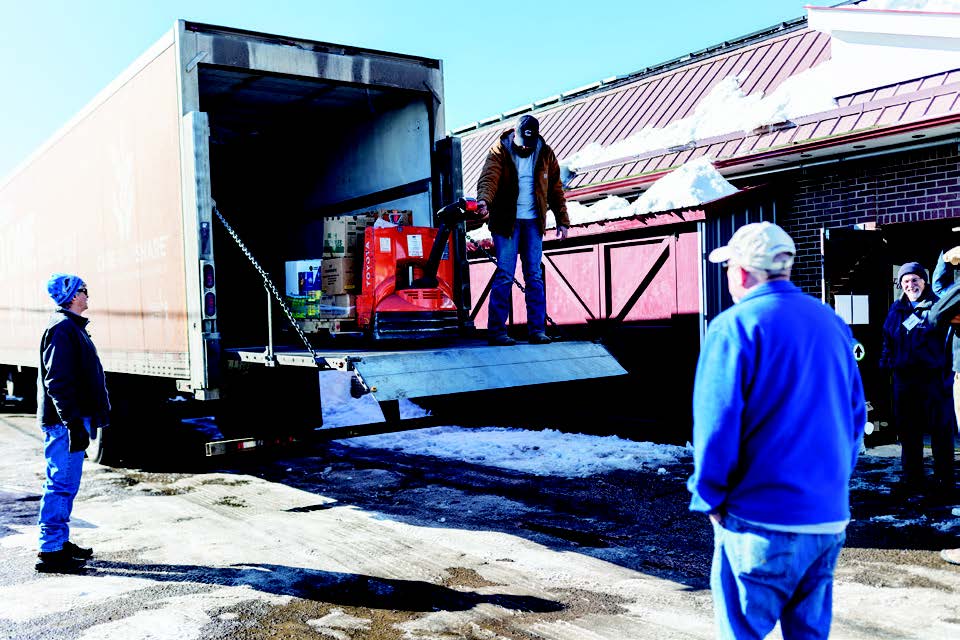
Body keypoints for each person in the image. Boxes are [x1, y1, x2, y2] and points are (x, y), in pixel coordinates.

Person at [688, 222, 866, 640]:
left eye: (729, 265)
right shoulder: (832, 323)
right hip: (826, 520)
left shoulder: (734, 327)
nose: (727, 274)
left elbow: (717, 426)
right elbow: (855, 418)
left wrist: (710, 496)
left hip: (760, 520)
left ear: (745, 272)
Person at [35, 273, 110, 574]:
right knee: (60, 485)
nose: (87, 294)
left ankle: (58, 542)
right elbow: (58, 383)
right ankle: (51, 550)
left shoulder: (70, 328)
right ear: (72, 296)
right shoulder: (62, 329)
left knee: (65, 485)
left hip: (69, 422)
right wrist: (72, 424)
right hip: (64, 424)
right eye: (83, 290)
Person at [476, 114, 570, 346]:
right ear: (515, 136)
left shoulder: (546, 153)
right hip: (506, 222)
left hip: (533, 222)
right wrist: (484, 201)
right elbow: (489, 178)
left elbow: (556, 189)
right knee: (505, 274)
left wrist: (562, 220)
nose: (525, 147)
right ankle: (497, 332)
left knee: (534, 276)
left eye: (529, 143)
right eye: (522, 143)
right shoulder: (500, 150)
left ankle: (537, 331)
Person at [879, 261, 954, 492]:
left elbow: (950, 341)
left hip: (933, 379)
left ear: (924, 281)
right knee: (909, 431)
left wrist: (947, 373)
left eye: (915, 280)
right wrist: (887, 362)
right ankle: (912, 477)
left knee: (940, 431)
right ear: (900, 284)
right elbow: (887, 339)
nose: (910, 285)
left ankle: (944, 478)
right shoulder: (896, 309)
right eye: (906, 281)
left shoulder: (938, 306)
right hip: (904, 380)